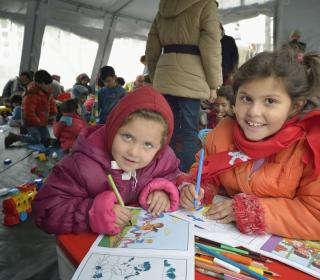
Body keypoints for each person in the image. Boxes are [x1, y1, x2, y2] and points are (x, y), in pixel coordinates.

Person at [179, 50, 320, 240]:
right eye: (246, 98)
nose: (253, 112)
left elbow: (315, 215)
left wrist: (250, 210)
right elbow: (204, 172)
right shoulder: (223, 133)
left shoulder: (311, 147)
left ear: (294, 107)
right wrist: (195, 189)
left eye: (270, 101)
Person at [32, 86, 180, 235]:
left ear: (161, 148)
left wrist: (162, 190)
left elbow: (173, 176)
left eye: (148, 144)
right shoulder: (81, 164)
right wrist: (92, 213)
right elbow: (46, 209)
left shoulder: (163, 160)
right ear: (113, 129)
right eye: (127, 137)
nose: (134, 152)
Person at [146, 0, 222, 172]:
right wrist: (213, 83)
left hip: (165, 72)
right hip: (191, 73)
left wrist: (154, 75)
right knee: (189, 130)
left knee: (167, 127)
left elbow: (152, 46)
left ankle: (163, 170)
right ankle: (184, 176)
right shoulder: (206, 4)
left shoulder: (163, 7)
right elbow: (211, 46)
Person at [4, 70, 57, 148]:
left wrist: (53, 113)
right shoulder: (30, 95)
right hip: (30, 122)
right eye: (47, 84)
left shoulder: (47, 91)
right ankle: (15, 137)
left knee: (46, 139)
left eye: (50, 84)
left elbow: (52, 103)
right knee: (36, 140)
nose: (49, 86)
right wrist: (38, 122)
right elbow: (28, 112)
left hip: (42, 121)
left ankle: (29, 134)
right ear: (38, 83)